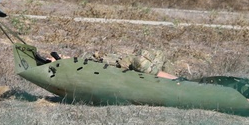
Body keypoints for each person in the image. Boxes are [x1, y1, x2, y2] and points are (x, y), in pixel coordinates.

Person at [49, 48, 180, 79]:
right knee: (143, 64)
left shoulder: (81, 60)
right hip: (132, 64)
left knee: (144, 63)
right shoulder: (79, 65)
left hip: (134, 61)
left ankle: (176, 80)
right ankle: (176, 79)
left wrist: (61, 58)